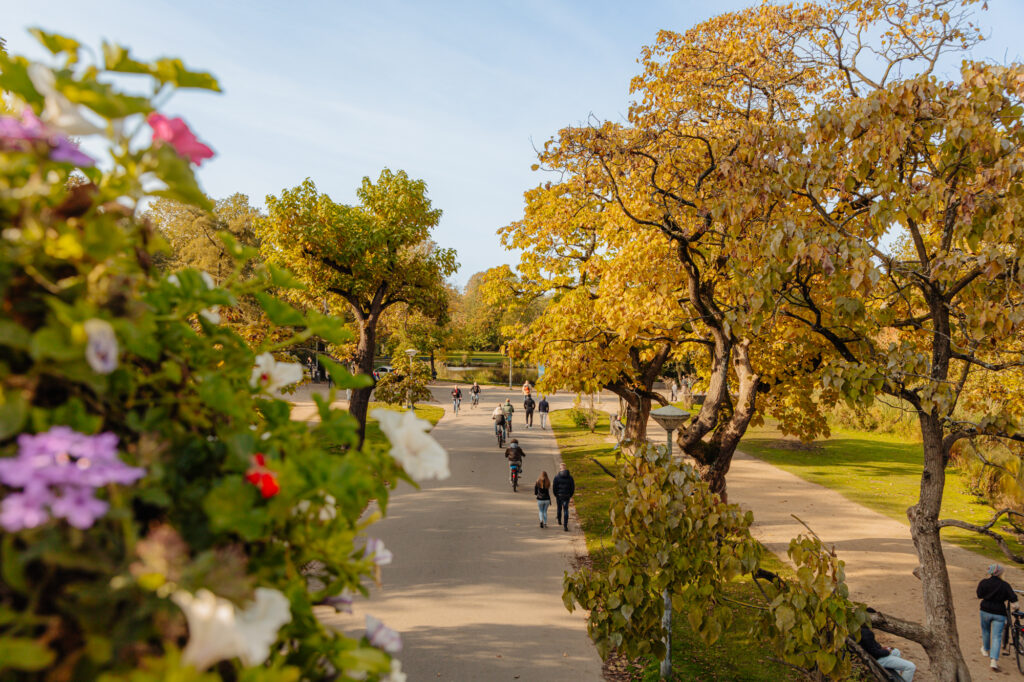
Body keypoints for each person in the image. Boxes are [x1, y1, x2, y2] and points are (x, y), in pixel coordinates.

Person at [978, 563, 1017, 670]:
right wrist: (1015, 606)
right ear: (1000, 573)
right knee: (997, 636)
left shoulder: (984, 582)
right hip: (999, 613)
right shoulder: (1005, 585)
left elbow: (979, 595)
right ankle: (994, 661)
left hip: (985, 610)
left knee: (986, 631)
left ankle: (985, 649)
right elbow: (1013, 598)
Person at [552, 463, 575, 532]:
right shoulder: (570, 477)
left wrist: (555, 494)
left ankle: (559, 519)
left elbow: (554, 487)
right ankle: (565, 525)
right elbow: (572, 487)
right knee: (566, 510)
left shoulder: (557, 477)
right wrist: (570, 494)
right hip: (567, 495)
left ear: (560, 468)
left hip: (559, 495)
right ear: (565, 468)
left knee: (559, 508)